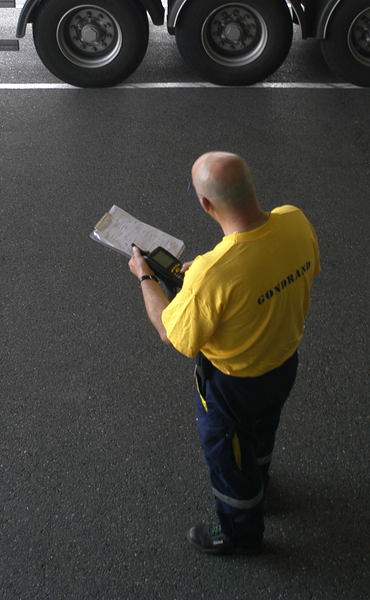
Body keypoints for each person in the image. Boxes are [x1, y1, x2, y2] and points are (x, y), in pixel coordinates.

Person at [128, 151, 320, 555]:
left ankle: (240, 534)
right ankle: (262, 480)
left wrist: (145, 276)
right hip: (284, 365)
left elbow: (170, 332)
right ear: (251, 183)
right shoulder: (296, 220)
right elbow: (272, 271)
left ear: (206, 205)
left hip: (234, 389)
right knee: (264, 429)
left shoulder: (211, 274)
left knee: (230, 463)